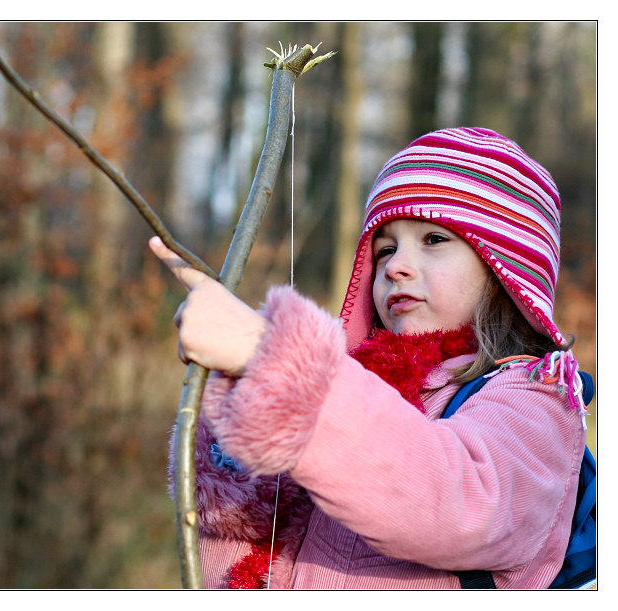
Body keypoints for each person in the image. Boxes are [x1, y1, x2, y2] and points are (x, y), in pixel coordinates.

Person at [149, 127, 590, 589]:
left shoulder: (537, 396)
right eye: (385, 249)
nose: (396, 265)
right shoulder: (357, 387)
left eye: (434, 240)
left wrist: (280, 363)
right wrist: (245, 388)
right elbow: (239, 539)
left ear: (505, 267)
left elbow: (460, 505)